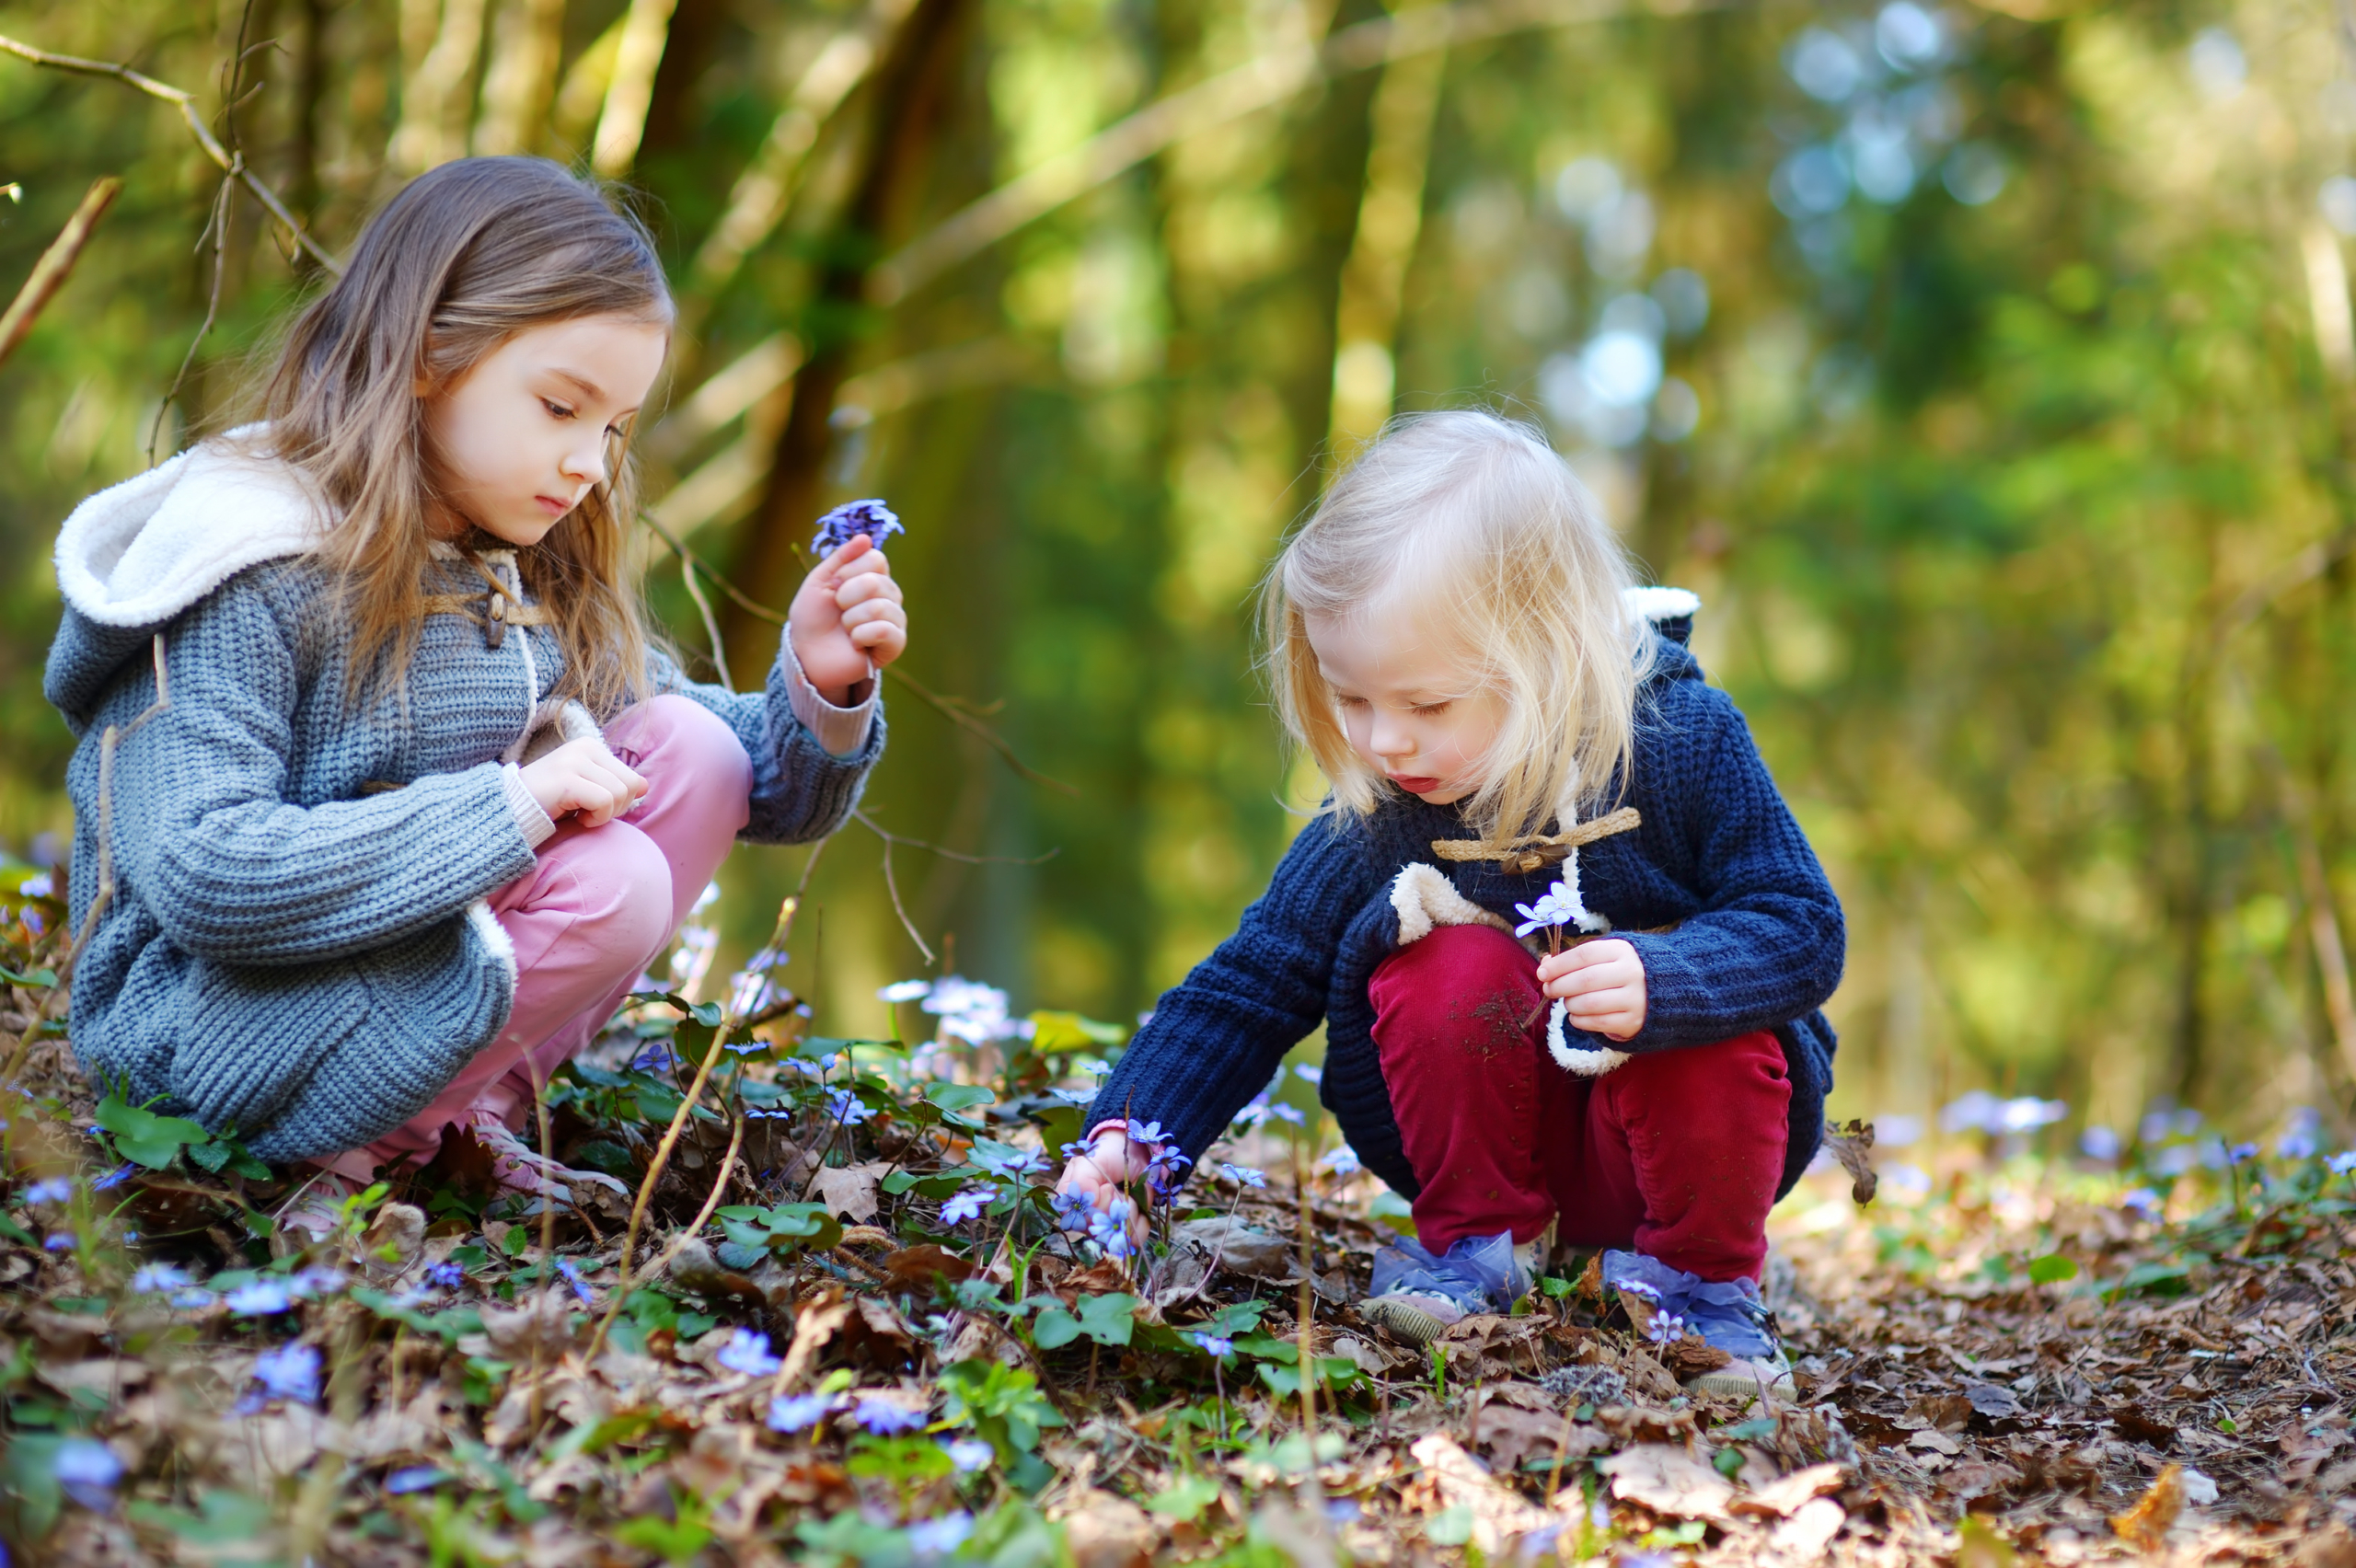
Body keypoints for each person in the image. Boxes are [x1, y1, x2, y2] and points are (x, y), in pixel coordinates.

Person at [44, 157, 907, 1240]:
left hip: (363, 993)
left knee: (691, 747)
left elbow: (751, 790)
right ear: (426, 355)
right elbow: (206, 873)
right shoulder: (248, 564)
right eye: (559, 406)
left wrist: (821, 682)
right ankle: (320, 1156)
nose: (589, 462)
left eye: (615, 427)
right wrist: (514, 807)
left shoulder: (512, 558)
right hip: (202, 1036)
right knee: (610, 876)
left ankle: (445, 1124)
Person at [1060, 410, 1842, 1396]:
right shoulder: (1393, 809)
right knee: (1440, 960)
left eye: (1427, 705)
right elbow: (1248, 987)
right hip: (1488, 1149)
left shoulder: (1683, 742)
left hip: (1673, 1159)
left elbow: (1800, 923)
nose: (1386, 742)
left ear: (1546, 652)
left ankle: (1701, 1293)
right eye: (1353, 700)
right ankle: (1479, 1250)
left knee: (1707, 1017)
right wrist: (1133, 1140)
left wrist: (1670, 977)